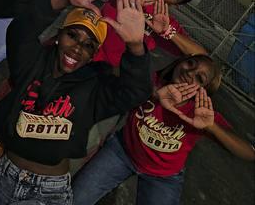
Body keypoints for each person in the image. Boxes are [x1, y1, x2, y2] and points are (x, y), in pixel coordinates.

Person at [0, 0, 152, 205]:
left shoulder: (95, 86)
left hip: (46, 194)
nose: (78, 48)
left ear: (93, 55)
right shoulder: (33, 63)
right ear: (58, 35)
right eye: (73, 35)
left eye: (88, 45)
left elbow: (136, 91)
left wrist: (136, 45)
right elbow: (20, 30)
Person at [72, 54, 255, 205]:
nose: (190, 72)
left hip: (163, 177)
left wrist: (212, 127)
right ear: (180, 62)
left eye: (200, 78)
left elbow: (248, 152)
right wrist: (151, 92)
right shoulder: (153, 82)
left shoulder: (199, 113)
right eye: (190, 63)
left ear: (203, 90)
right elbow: (115, 74)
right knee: (75, 199)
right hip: (122, 151)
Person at [94, 0, 207, 68]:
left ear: (176, 5)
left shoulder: (166, 22)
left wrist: (167, 31)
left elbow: (202, 57)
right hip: (85, 38)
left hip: (103, 66)